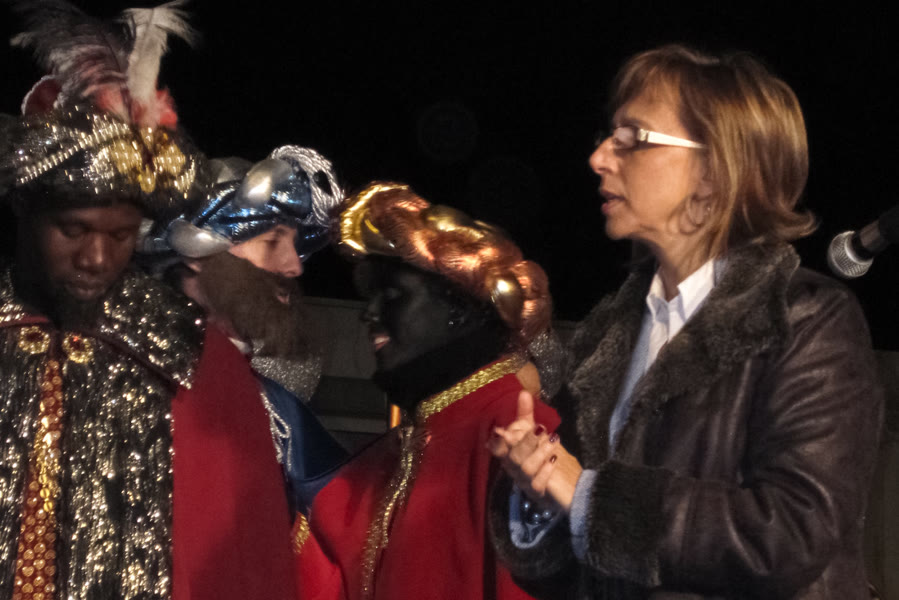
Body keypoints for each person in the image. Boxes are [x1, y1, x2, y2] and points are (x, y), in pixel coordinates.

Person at [488, 45, 884, 599]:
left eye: (633, 138)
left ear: (714, 171)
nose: (599, 157)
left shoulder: (805, 319)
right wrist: (537, 486)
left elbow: (791, 531)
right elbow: (577, 568)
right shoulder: (608, 334)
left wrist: (589, 496)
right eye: (608, 136)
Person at [0, 3, 295, 597]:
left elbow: (245, 559)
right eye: (74, 231)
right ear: (26, 217)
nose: (96, 259)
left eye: (119, 236)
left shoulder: (194, 358)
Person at [294, 182, 559, 600]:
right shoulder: (404, 445)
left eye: (393, 294)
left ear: (457, 310)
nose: (370, 312)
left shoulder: (519, 429)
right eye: (372, 295)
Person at [141, 145, 348, 514]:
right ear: (197, 254)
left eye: (295, 245)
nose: (294, 266)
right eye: (272, 241)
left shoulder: (279, 410)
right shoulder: (137, 375)